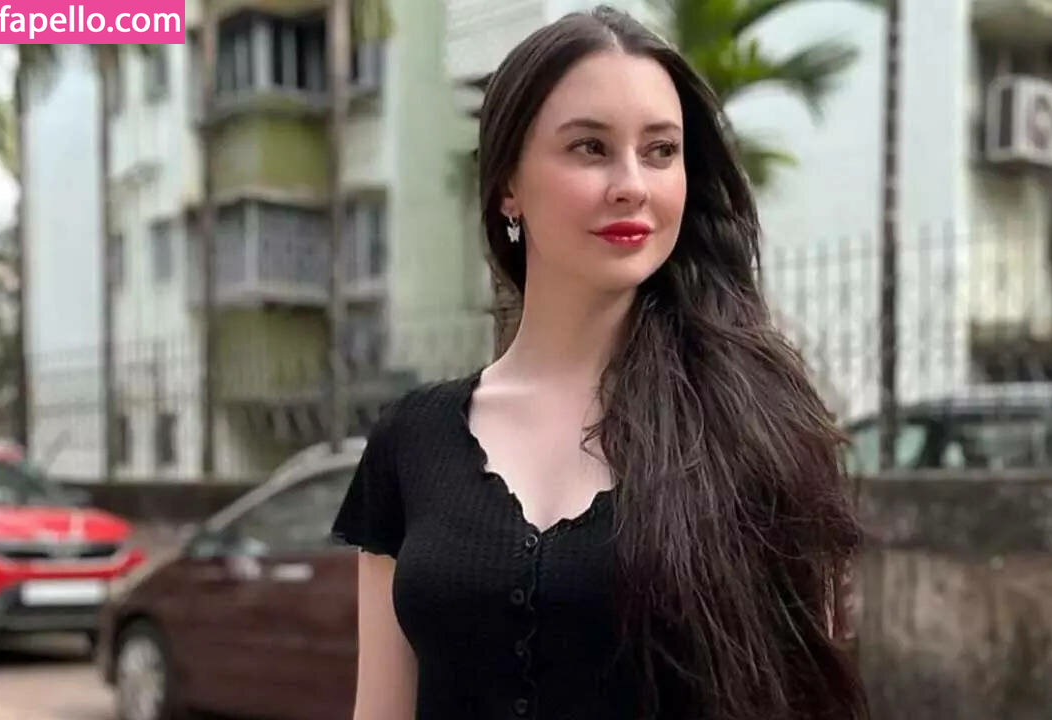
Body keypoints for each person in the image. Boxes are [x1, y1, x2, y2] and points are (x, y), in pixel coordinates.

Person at [331, 6, 868, 719]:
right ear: (508, 183)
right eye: (590, 147)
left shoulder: (759, 426)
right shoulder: (413, 441)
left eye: (660, 150)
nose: (632, 185)